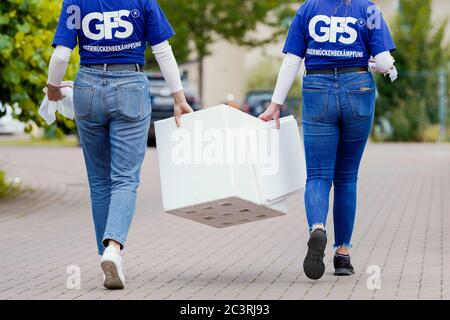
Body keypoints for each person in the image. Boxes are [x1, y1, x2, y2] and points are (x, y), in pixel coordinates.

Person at [46, 0, 193, 289]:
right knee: (124, 178)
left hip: (87, 85)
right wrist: (178, 97)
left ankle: (106, 258)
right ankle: (114, 248)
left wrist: (53, 86)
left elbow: (62, 54)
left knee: (99, 181)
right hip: (130, 84)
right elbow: (162, 50)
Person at [259, 0, 397, 280]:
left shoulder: (308, 9)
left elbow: (292, 61)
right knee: (347, 177)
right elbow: (383, 61)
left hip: (317, 88)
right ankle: (343, 255)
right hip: (357, 87)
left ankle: (317, 228)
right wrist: (389, 69)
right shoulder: (368, 9)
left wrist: (275, 104)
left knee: (318, 175)